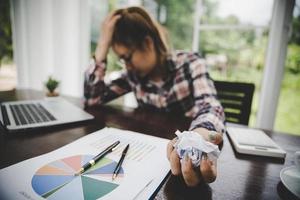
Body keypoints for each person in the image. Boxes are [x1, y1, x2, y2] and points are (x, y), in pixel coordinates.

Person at [84, 6, 226, 186]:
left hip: (186, 158)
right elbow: (92, 99)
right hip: (147, 164)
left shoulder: (190, 64)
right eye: (122, 60)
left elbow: (211, 106)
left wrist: (200, 135)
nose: (126, 66)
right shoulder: (132, 77)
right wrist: (101, 47)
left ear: (148, 43)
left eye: (127, 57)